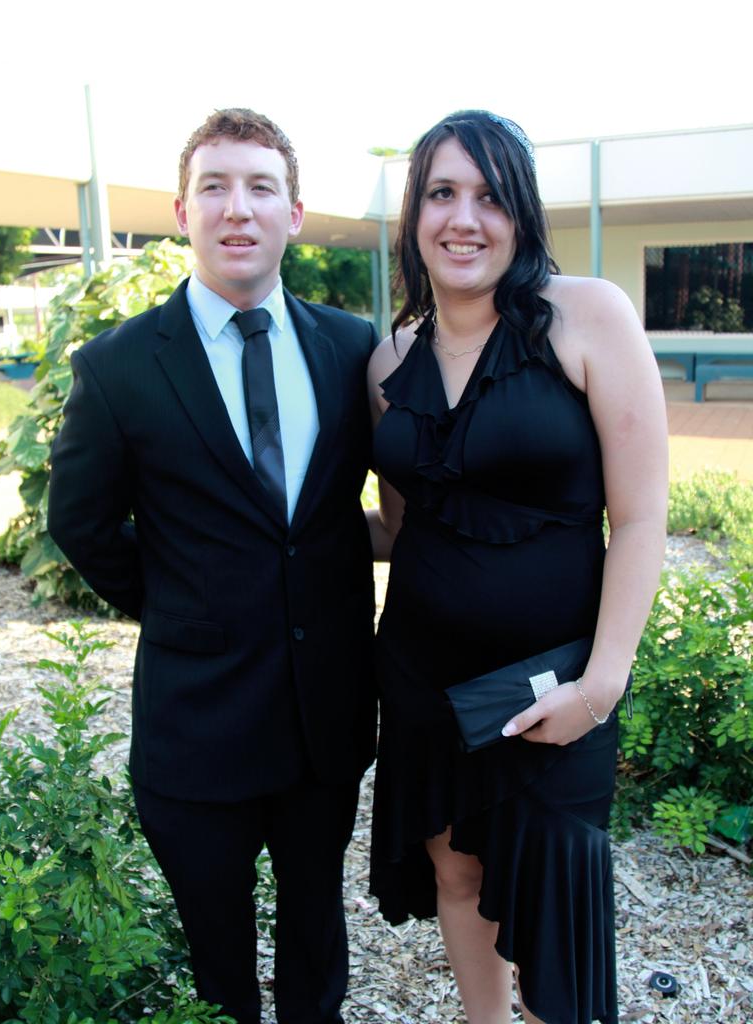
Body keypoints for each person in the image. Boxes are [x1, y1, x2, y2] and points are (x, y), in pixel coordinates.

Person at [48, 108, 378, 1024]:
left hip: (325, 723)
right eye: (216, 188)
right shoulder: (118, 366)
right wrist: (181, 601)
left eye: (261, 187)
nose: (239, 209)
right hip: (198, 726)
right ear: (182, 211)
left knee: (319, 940)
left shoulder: (354, 351)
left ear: (296, 213)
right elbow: (77, 519)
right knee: (217, 964)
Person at [366, 110, 668, 1024]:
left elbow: (644, 514)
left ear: (522, 213)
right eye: (442, 194)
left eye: (490, 195)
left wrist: (600, 685)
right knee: (456, 867)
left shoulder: (588, 314)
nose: (465, 218)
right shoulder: (390, 357)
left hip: (554, 679)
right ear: (415, 214)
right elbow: (406, 520)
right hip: (422, 674)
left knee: (555, 900)